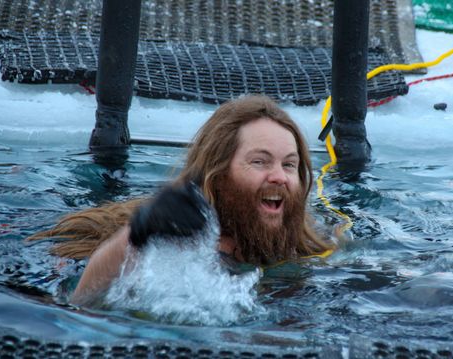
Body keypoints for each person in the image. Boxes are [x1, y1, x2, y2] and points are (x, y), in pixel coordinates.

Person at [28, 95, 337, 305]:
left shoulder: (309, 245)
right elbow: (78, 304)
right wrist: (139, 235)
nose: (279, 177)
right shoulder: (159, 239)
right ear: (217, 175)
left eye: (289, 164)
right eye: (260, 162)